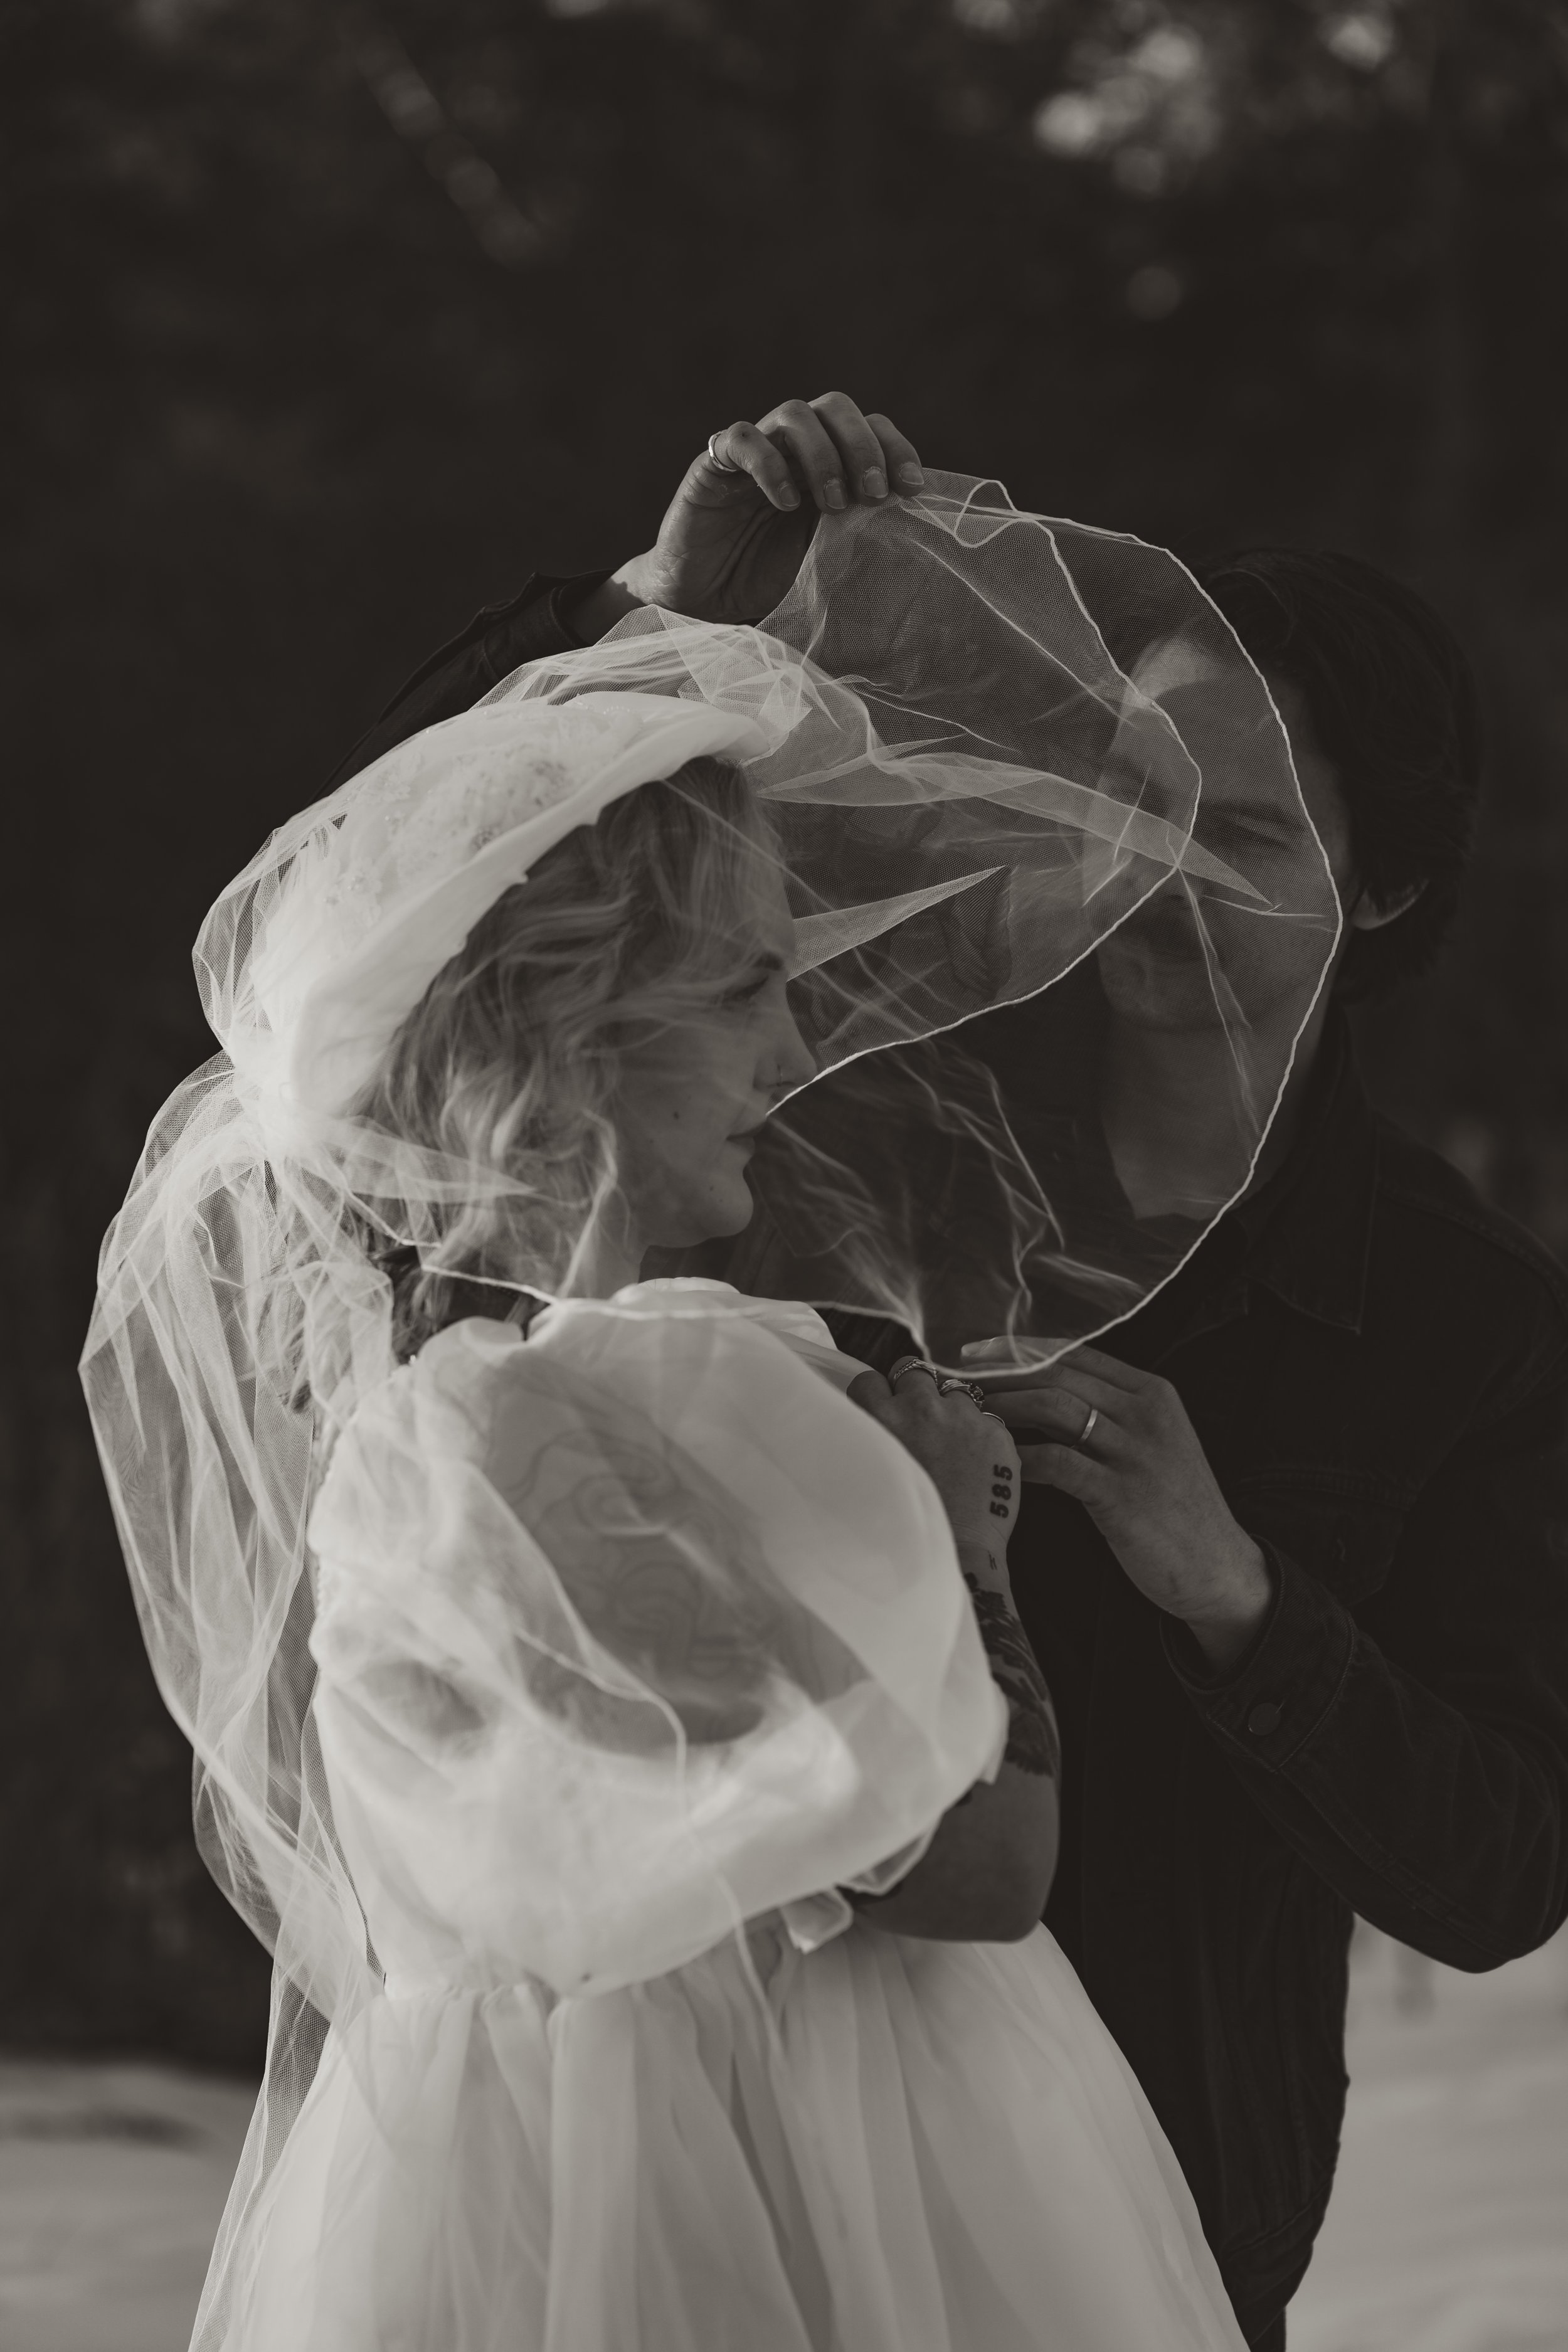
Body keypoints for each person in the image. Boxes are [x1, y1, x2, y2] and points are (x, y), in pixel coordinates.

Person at [336, 392, 1568, 2349]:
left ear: (1380, 886)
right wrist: (655, 617)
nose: (1154, 870)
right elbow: (418, 981)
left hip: (1146, 2207)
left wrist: (1237, 1595)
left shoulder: (1467, 1322)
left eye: (1240, 833)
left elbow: (1502, 1872)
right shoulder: (836, 1120)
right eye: (1128, 800)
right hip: (712, 2182)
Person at [83, 552, 1335, 2348]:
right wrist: (963, 1550)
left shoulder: (463, 1418)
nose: (793, 1040)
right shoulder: (536, 1435)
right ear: (581, 1029)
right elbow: (981, 1872)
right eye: (747, 988)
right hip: (728, 2199)